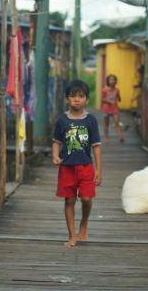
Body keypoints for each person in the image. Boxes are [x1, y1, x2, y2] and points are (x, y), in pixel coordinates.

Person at [52, 79, 102, 247]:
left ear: (86, 100)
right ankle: (72, 236)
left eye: (81, 96)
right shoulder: (62, 120)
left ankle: (84, 223)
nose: (76, 99)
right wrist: (55, 155)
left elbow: (96, 146)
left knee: (87, 198)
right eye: (73, 96)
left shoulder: (90, 120)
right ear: (67, 99)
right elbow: (56, 141)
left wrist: (98, 169)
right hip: (67, 167)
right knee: (69, 200)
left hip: (86, 166)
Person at [101, 74, 124, 143]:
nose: (112, 81)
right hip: (106, 109)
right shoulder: (105, 90)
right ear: (108, 81)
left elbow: (119, 99)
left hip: (114, 108)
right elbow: (102, 99)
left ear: (115, 81)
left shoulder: (117, 90)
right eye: (110, 80)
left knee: (117, 122)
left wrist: (118, 97)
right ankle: (106, 137)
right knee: (106, 123)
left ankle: (120, 137)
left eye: (113, 80)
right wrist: (108, 101)